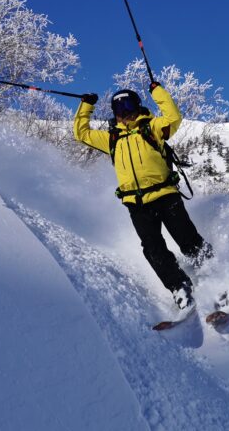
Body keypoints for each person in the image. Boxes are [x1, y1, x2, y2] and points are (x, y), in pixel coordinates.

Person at [74, 82, 213, 311]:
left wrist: (157, 91)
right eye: (118, 108)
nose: (124, 112)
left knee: (188, 240)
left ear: (137, 106)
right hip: (136, 205)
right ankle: (179, 287)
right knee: (153, 249)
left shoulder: (153, 128)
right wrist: (86, 105)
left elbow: (173, 117)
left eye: (127, 104)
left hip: (166, 196)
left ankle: (214, 276)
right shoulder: (111, 139)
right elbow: (81, 133)